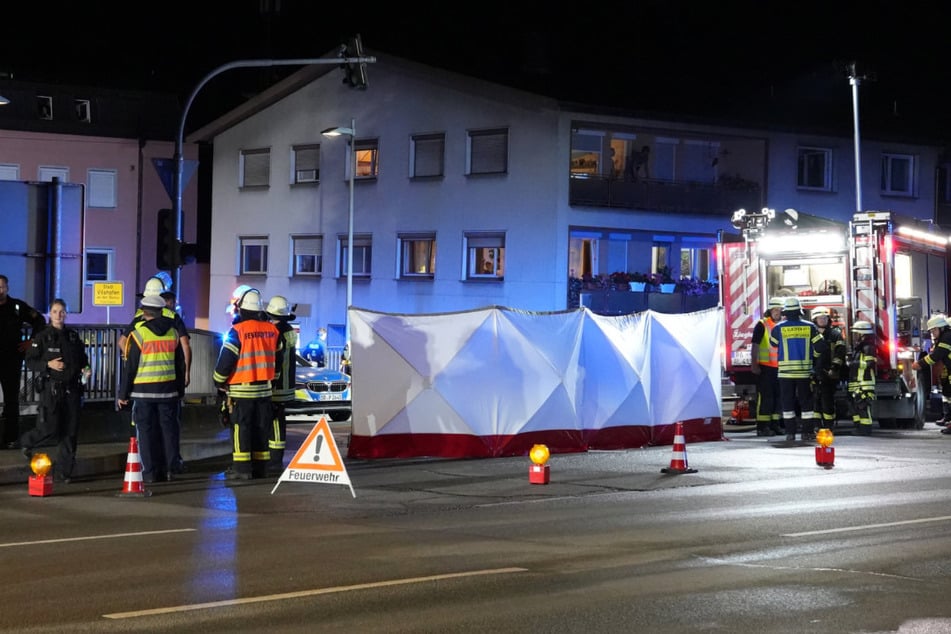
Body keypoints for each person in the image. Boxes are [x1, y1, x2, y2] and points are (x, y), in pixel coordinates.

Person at [119, 276, 191, 473]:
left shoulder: (139, 330)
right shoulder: (173, 329)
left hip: (142, 391)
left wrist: (123, 394)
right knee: (169, 430)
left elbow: (129, 365)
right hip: (168, 390)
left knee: (145, 431)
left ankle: (150, 472)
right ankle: (172, 468)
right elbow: (181, 356)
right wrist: (182, 384)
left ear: (144, 308)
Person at [213, 289, 279, 480]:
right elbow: (278, 359)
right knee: (261, 429)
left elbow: (226, 361)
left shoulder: (238, 331)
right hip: (265, 391)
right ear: (259, 310)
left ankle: (242, 470)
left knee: (241, 430)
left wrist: (218, 381)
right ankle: (261, 469)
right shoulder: (272, 330)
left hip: (242, 391)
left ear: (241, 309)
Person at [20, 298, 89, 483]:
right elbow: (30, 361)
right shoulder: (43, 337)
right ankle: (27, 442)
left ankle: (64, 472)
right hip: (51, 390)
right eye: (55, 311)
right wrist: (48, 364)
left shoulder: (73, 337)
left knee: (70, 432)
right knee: (49, 428)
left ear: (66, 314)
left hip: (72, 390)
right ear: (50, 314)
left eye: (62, 311)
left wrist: (86, 369)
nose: (59, 315)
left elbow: (83, 359)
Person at [770, 297, 826, 442]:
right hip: (804, 373)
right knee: (806, 404)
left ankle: (790, 433)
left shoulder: (778, 328)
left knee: (787, 404)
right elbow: (821, 347)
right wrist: (813, 357)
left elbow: (773, 344)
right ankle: (807, 432)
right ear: (799, 311)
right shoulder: (809, 327)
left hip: (785, 374)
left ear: (786, 312)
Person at [0, 274, 47, 449]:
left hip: (11, 360)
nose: (0, 290)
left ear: (7, 288)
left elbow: (39, 320)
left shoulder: (17, 306)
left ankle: (11, 439)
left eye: (2, 287)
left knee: (12, 401)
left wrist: (32, 341)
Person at [265, 295, 297, 474]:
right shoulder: (290, 330)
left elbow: (274, 358)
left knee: (274, 422)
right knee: (279, 420)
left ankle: (274, 460)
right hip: (287, 385)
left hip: (276, 385)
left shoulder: (275, 332)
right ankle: (276, 458)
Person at [750, 297, 784, 436]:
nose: (777, 312)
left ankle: (774, 425)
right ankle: (762, 427)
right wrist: (754, 364)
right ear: (770, 310)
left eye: (780, 310)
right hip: (765, 367)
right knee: (766, 398)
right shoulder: (762, 324)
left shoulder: (784, 324)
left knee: (778, 397)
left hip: (781, 367)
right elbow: (755, 345)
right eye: (775, 310)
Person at [913, 315, 951, 433]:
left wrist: (920, 363)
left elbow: (937, 355)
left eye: (934, 330)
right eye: (931, 331)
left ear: (941, 328)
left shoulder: (947, 337)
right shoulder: (945, 336)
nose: (932, 333)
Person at [811, 306, 847, 430]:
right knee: (814, 400)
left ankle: (828, 426)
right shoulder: (811, 334)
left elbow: (840, 351)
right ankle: (816, 425)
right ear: (814, 320)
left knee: (827, 400)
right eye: (820, 318)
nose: (822, 320)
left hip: (829, 373)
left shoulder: (835, 334)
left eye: (824, 317)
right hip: (814, 372)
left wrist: (835, 368)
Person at [848, 320, 878, 436]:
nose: (854, 336)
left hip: (864, 382)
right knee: (854, 405)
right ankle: (859, 427)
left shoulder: (868, 347)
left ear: (862, 334)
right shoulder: (860, 347)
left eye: (856, 333)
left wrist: (852, 363)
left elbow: (870, 363)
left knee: (862, 406)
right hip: (857, 381)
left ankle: (865, 429)